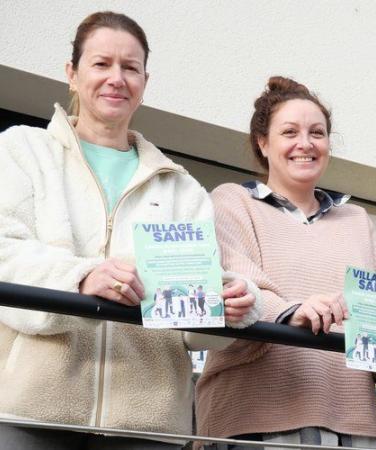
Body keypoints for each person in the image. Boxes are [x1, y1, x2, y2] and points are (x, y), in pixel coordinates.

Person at [0, 11, 259, 449]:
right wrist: (80, 278)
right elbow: (6, 252)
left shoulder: (182, 188)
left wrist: (228, 304)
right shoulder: (21, 150)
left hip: (148, 427)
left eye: (130, 67)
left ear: (144, 82)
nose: (116, 78)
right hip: (29, 413)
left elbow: (193, 326)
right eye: (101, 64)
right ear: (72, 73)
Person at [195, 76, 376, 449]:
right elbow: (235, 282)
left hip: (355, 422)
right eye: (289, 132)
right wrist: (292, 311)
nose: (305, 144)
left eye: (317, 133)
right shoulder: (231, 201)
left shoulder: (355, 218)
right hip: (255, 416)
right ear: (263, 143)